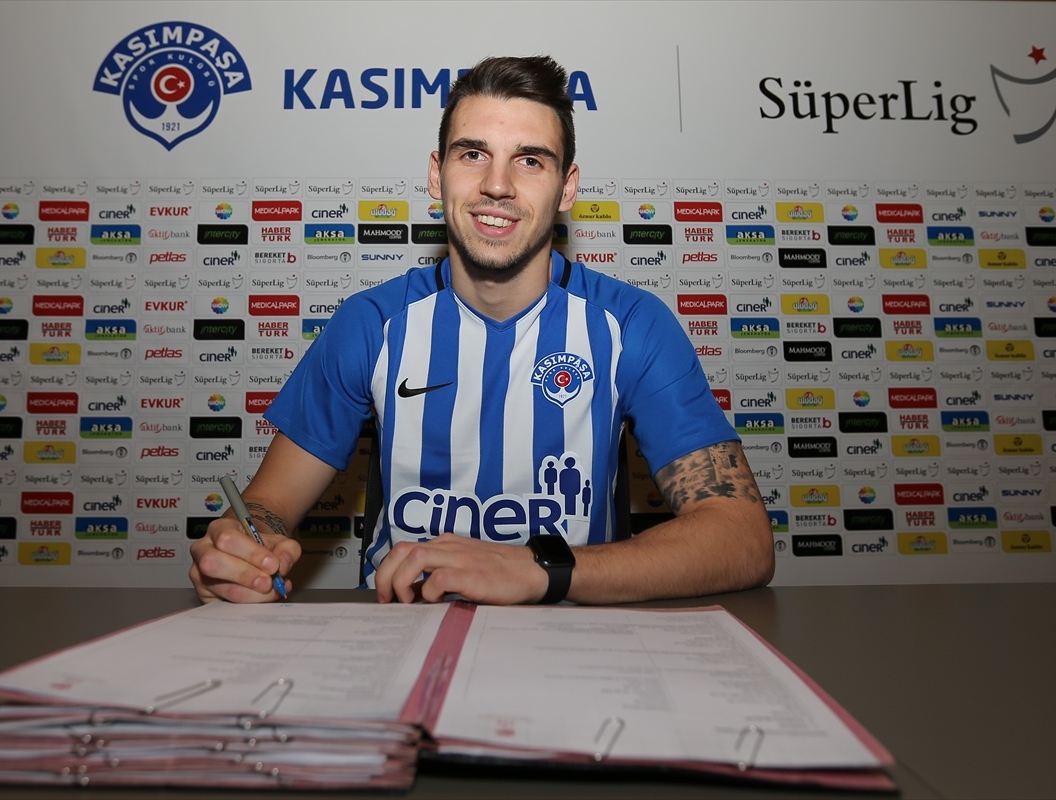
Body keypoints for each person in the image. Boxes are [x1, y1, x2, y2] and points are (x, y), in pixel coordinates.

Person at [190, 55, 774, 606]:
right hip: (394, 635)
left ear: (567, 187)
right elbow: (266, 506)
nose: (497, 184)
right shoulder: (370, 325)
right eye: (473, 154)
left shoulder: (631, 326)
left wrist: (539, 569)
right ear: (436, 172)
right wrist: (243, 549)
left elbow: (742, 539)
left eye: (530, 160)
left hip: (572, 640)